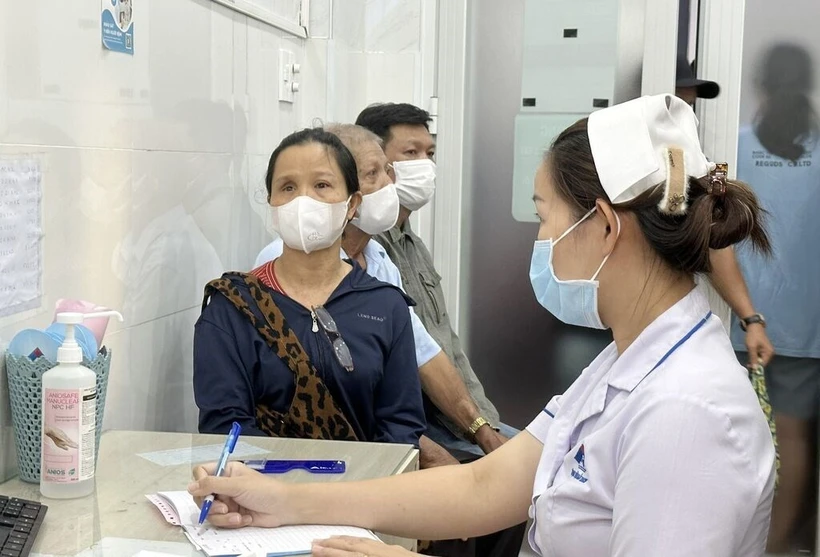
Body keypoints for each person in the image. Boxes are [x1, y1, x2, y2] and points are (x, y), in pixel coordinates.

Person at [189, 94, 777, 556]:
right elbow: (485, 487)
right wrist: (283, 501)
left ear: (603, 225)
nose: (540, 240)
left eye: (544, 215)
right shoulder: (625, 364)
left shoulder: (686, 413)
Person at [254, 124, 526, 557]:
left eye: (388, 171)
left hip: (396, 432)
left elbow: (426, 352)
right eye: (375, 173)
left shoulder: (379, 258)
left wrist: (483, 433)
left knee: (510, 491)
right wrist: (434, 458)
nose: (391, 184)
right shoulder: (279, 271)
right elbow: (336, 392)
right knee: (470, 501)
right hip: (335, 449)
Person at [193, 128, 426, 448]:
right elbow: (225, 427)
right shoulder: (232, 308)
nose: (303, 201)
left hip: (365, 490)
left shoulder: (385, 306)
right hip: (262, 489)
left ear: (352, 204)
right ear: (272, 203)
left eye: (322, 185)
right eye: (287, 187)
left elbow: (402, 426)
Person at [354, 103, 518, 456]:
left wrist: (485, 421)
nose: (425, 165)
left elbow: (446, 345)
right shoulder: (363, 250)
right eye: (410, 153)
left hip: (464, 422)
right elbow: (414, 361)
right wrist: (480, 433)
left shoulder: (412, 246)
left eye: (429, 153)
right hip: (427, 431)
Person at [733, 42, 820, 553]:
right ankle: (771, 548)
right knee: (792, 441)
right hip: (804, 328)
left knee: (731, 442)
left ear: (760, 86)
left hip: (738, 324)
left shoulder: (734, 145)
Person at [674, 57, 775, 368]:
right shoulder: (620, 165)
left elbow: (717, 242)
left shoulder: (705, 165)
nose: (682, 116)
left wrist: (751, 319)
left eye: (687, 106)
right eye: (674, 104)